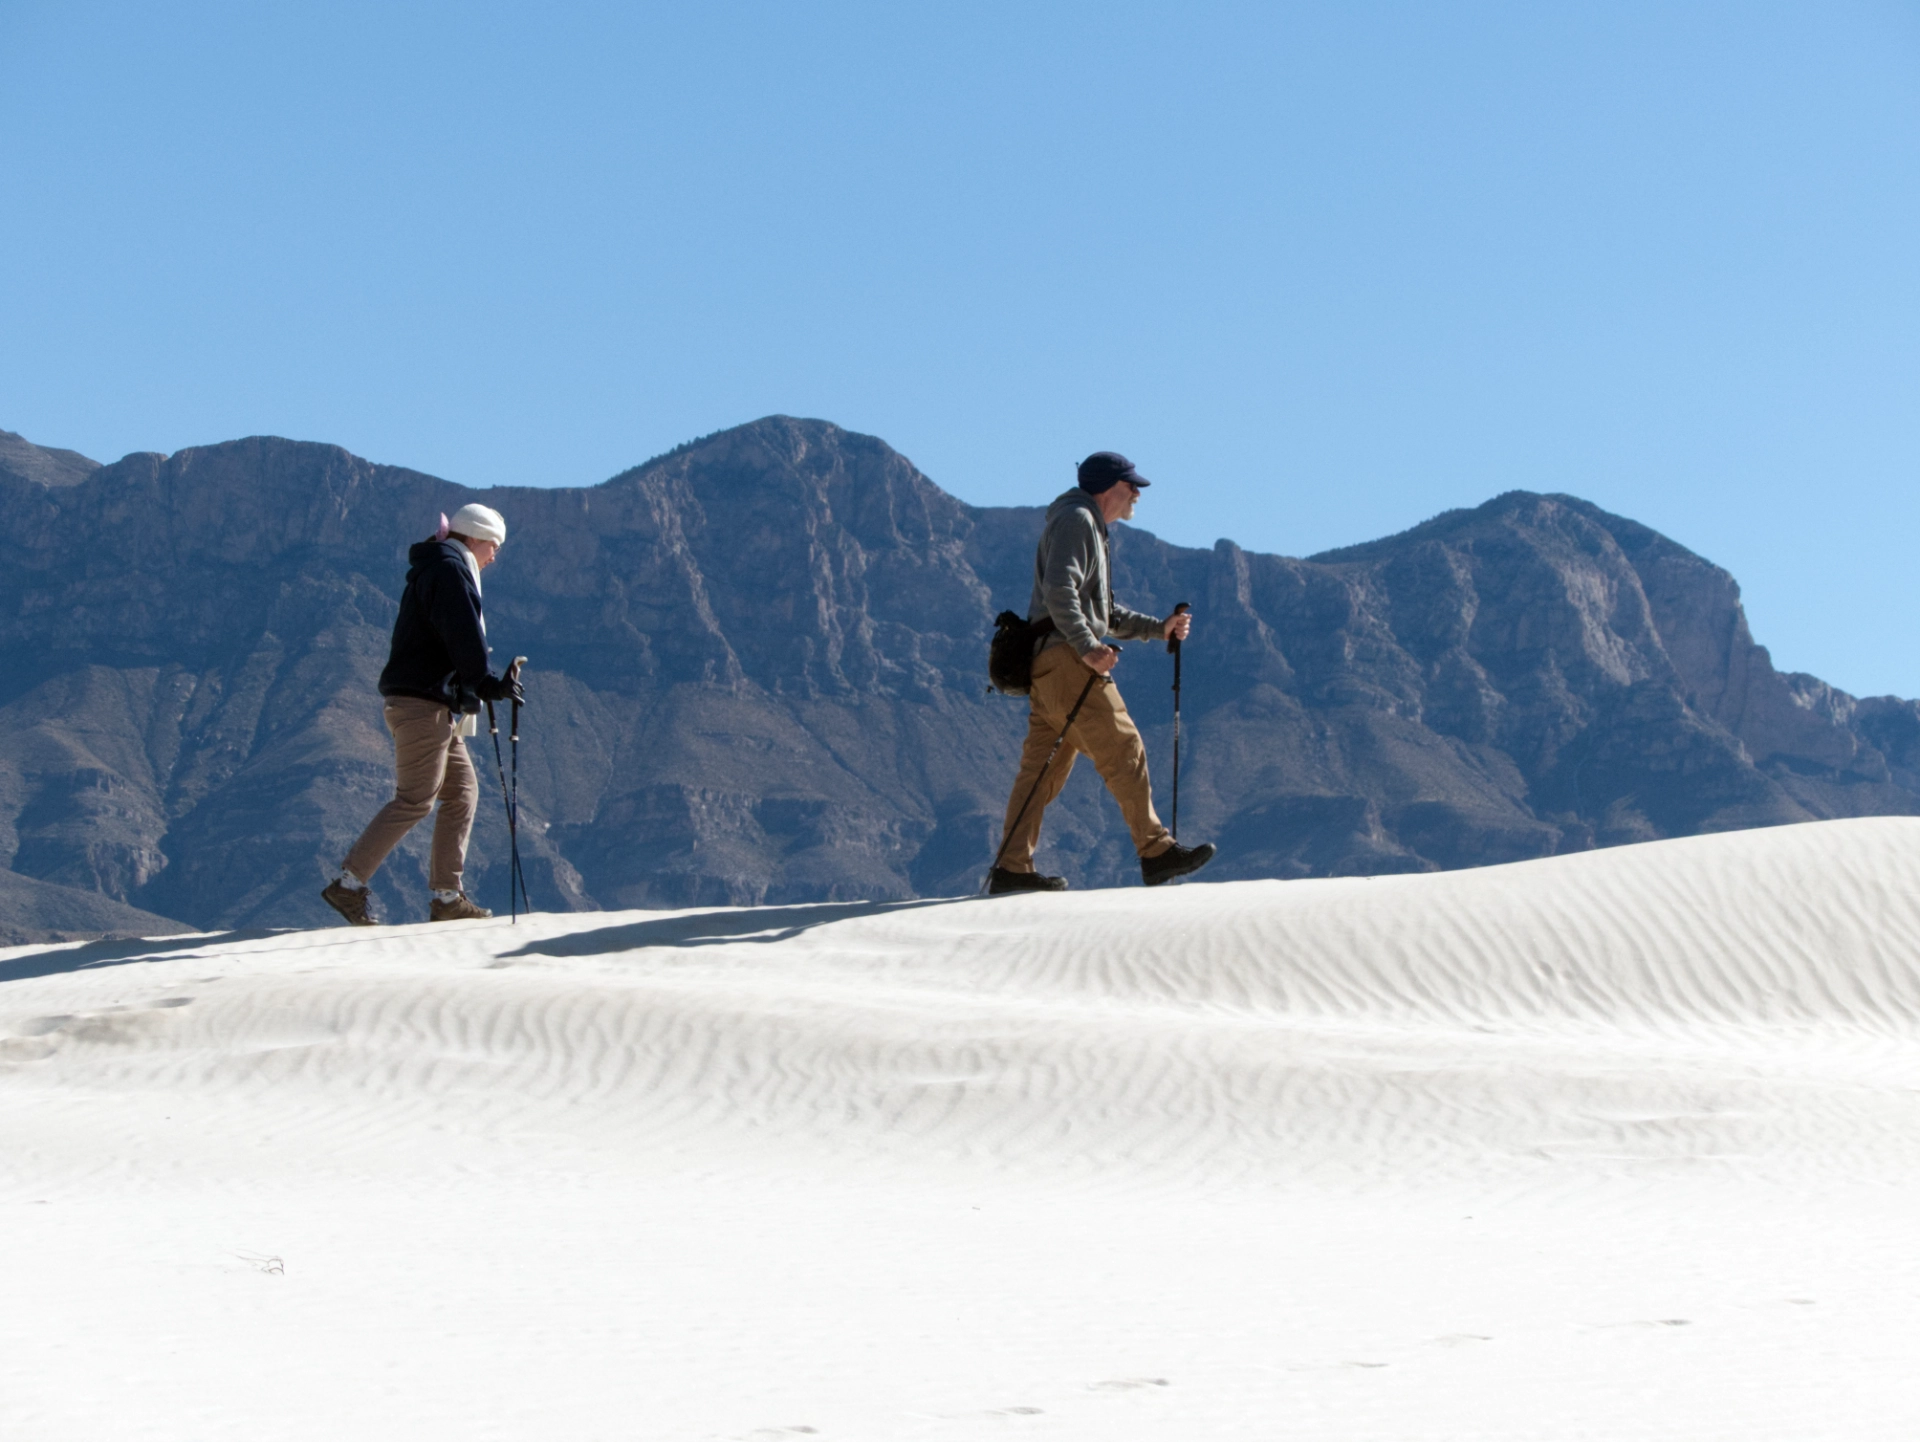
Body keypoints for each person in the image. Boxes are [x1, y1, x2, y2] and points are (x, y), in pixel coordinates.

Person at [988, 452, 1217, 894]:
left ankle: (1011, 868)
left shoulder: (1085, 524)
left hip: (1047, 669)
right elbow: (1061, 592)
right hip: (1068, 664)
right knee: (1124, 746)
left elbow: (1104, 611)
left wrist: (1158, 628)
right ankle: (1156, 852)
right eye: (1131, 485)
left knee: (1041, 771)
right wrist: (1088, 648)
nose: (1136, 493)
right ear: (1107, 487)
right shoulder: (1078, 520)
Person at [321, 503, 523, 925]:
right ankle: (348, 884)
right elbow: (462, 633)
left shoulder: (443, 566)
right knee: (416, 799)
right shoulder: (450, 570)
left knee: (462, 791)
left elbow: (451, 637)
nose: (495, 556)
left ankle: (447, 897)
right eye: (494, 545)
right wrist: (486, 684)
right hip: (422, 705)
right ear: (474, 537)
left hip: (432, 704)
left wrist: (475, 685)